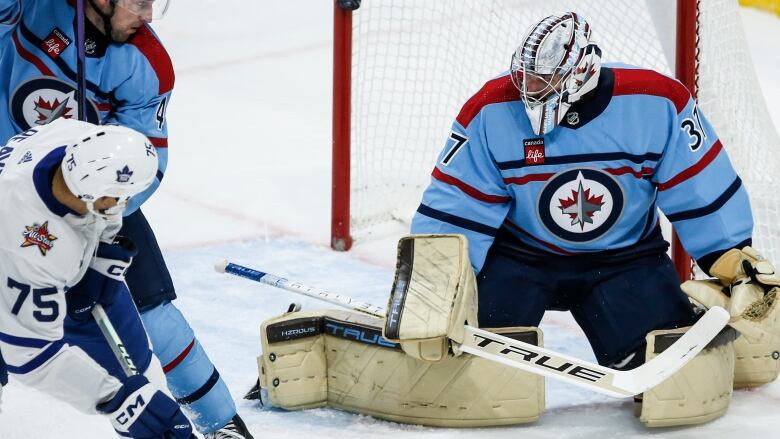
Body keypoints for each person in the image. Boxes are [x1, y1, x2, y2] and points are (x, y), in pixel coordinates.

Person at [410, 12, 780, 424]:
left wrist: (729, 256)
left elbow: (700, 185)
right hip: (521, 257)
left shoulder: (657, 102)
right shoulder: (490, 110)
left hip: (624, 261)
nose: (528, 89)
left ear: (581, 71)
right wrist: (434, 285)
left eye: (542, 80)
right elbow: (458, 204)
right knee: (477, 366)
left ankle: (694, 327)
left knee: (672, 376)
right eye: (526, 76)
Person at [0, 1, 253, 437]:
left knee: (154, 310)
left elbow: (145, 166)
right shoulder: (32, 8)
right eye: (139, 2)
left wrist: (97, 224)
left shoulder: (146, 64)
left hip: (96, 202)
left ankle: (222, 425)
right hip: (15, 186)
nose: (149, 15)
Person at [0, 118, 194, 438]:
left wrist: (100, 252)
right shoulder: (31, 245)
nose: (123, 204)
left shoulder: (80, 141)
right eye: (120, 197)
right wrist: (116, 400)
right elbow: (31, 355)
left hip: (46, 259)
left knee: (146, 376)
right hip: (14, 267)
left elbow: (108, 204)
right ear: (100, 197)